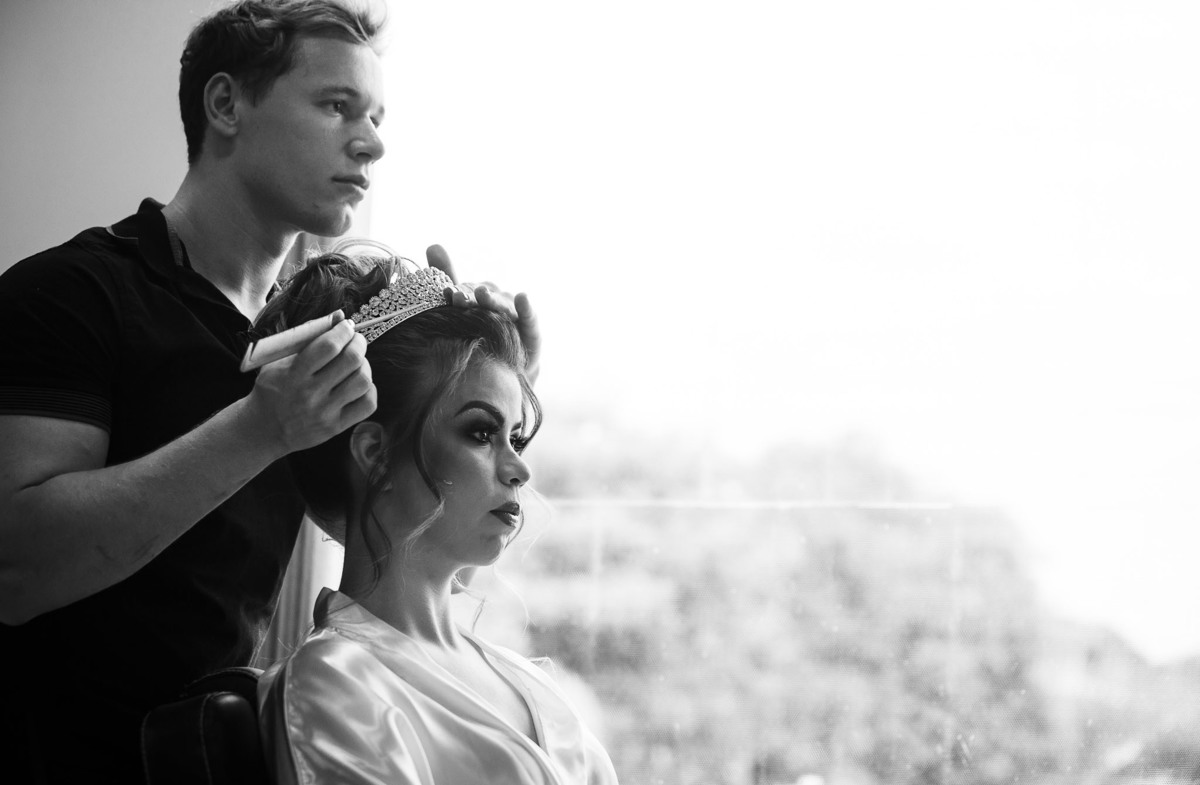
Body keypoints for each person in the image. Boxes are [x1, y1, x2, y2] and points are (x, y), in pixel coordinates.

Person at [0, 2, 537, 782]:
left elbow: (402, 513)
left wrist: (491, 386)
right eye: (337, 105)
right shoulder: (71, 296)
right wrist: (260, 428)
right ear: (226, 105)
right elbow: (13, 568)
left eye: (377, 117)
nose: (371, 141)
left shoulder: (320, 334)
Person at [254, 253, 618, 785]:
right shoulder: (337, 683)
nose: (520, 469)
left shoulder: (524, 679)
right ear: (375, 454)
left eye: (516, 438)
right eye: (480, 433)